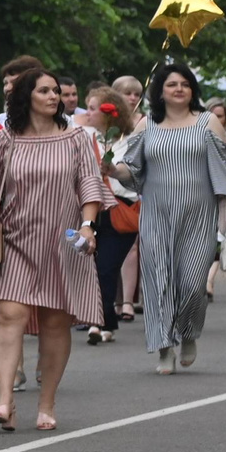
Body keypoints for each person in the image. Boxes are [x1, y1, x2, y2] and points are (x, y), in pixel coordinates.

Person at [0, 68, 107, 431]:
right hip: (14, 240)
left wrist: (88, 227)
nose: (53, 96)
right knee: (9, 316)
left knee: (55, 322)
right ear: (26, 96)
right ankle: (4, 400)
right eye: (44, 90)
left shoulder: (76, 139)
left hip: (63, 242)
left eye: (56, 91)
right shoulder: (7, 139)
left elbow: (89, 185)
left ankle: (47, 404)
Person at [112, 59, 226, 372]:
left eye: (184, 83)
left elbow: (224, 167)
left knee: (194, 283)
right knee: (159, 281)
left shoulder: (208, 121)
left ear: (191, 88)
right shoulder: (146, 125)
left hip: (198, 215)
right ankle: (164, 346)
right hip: (156, 214)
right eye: (172, 84)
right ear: (161, 91)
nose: (179, 89)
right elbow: (132, 170)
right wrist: (110, 169)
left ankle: (189, 332)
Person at [86, 89, 140, 347]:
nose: (88, 113)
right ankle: (104, 321)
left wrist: (112, 172)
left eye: (93, 108)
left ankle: (99, 321)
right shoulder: (86, 139)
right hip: (94, 211)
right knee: (93, 268)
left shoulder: (131, 141)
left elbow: (133, 179)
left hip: (122, 211)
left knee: (105, 267)